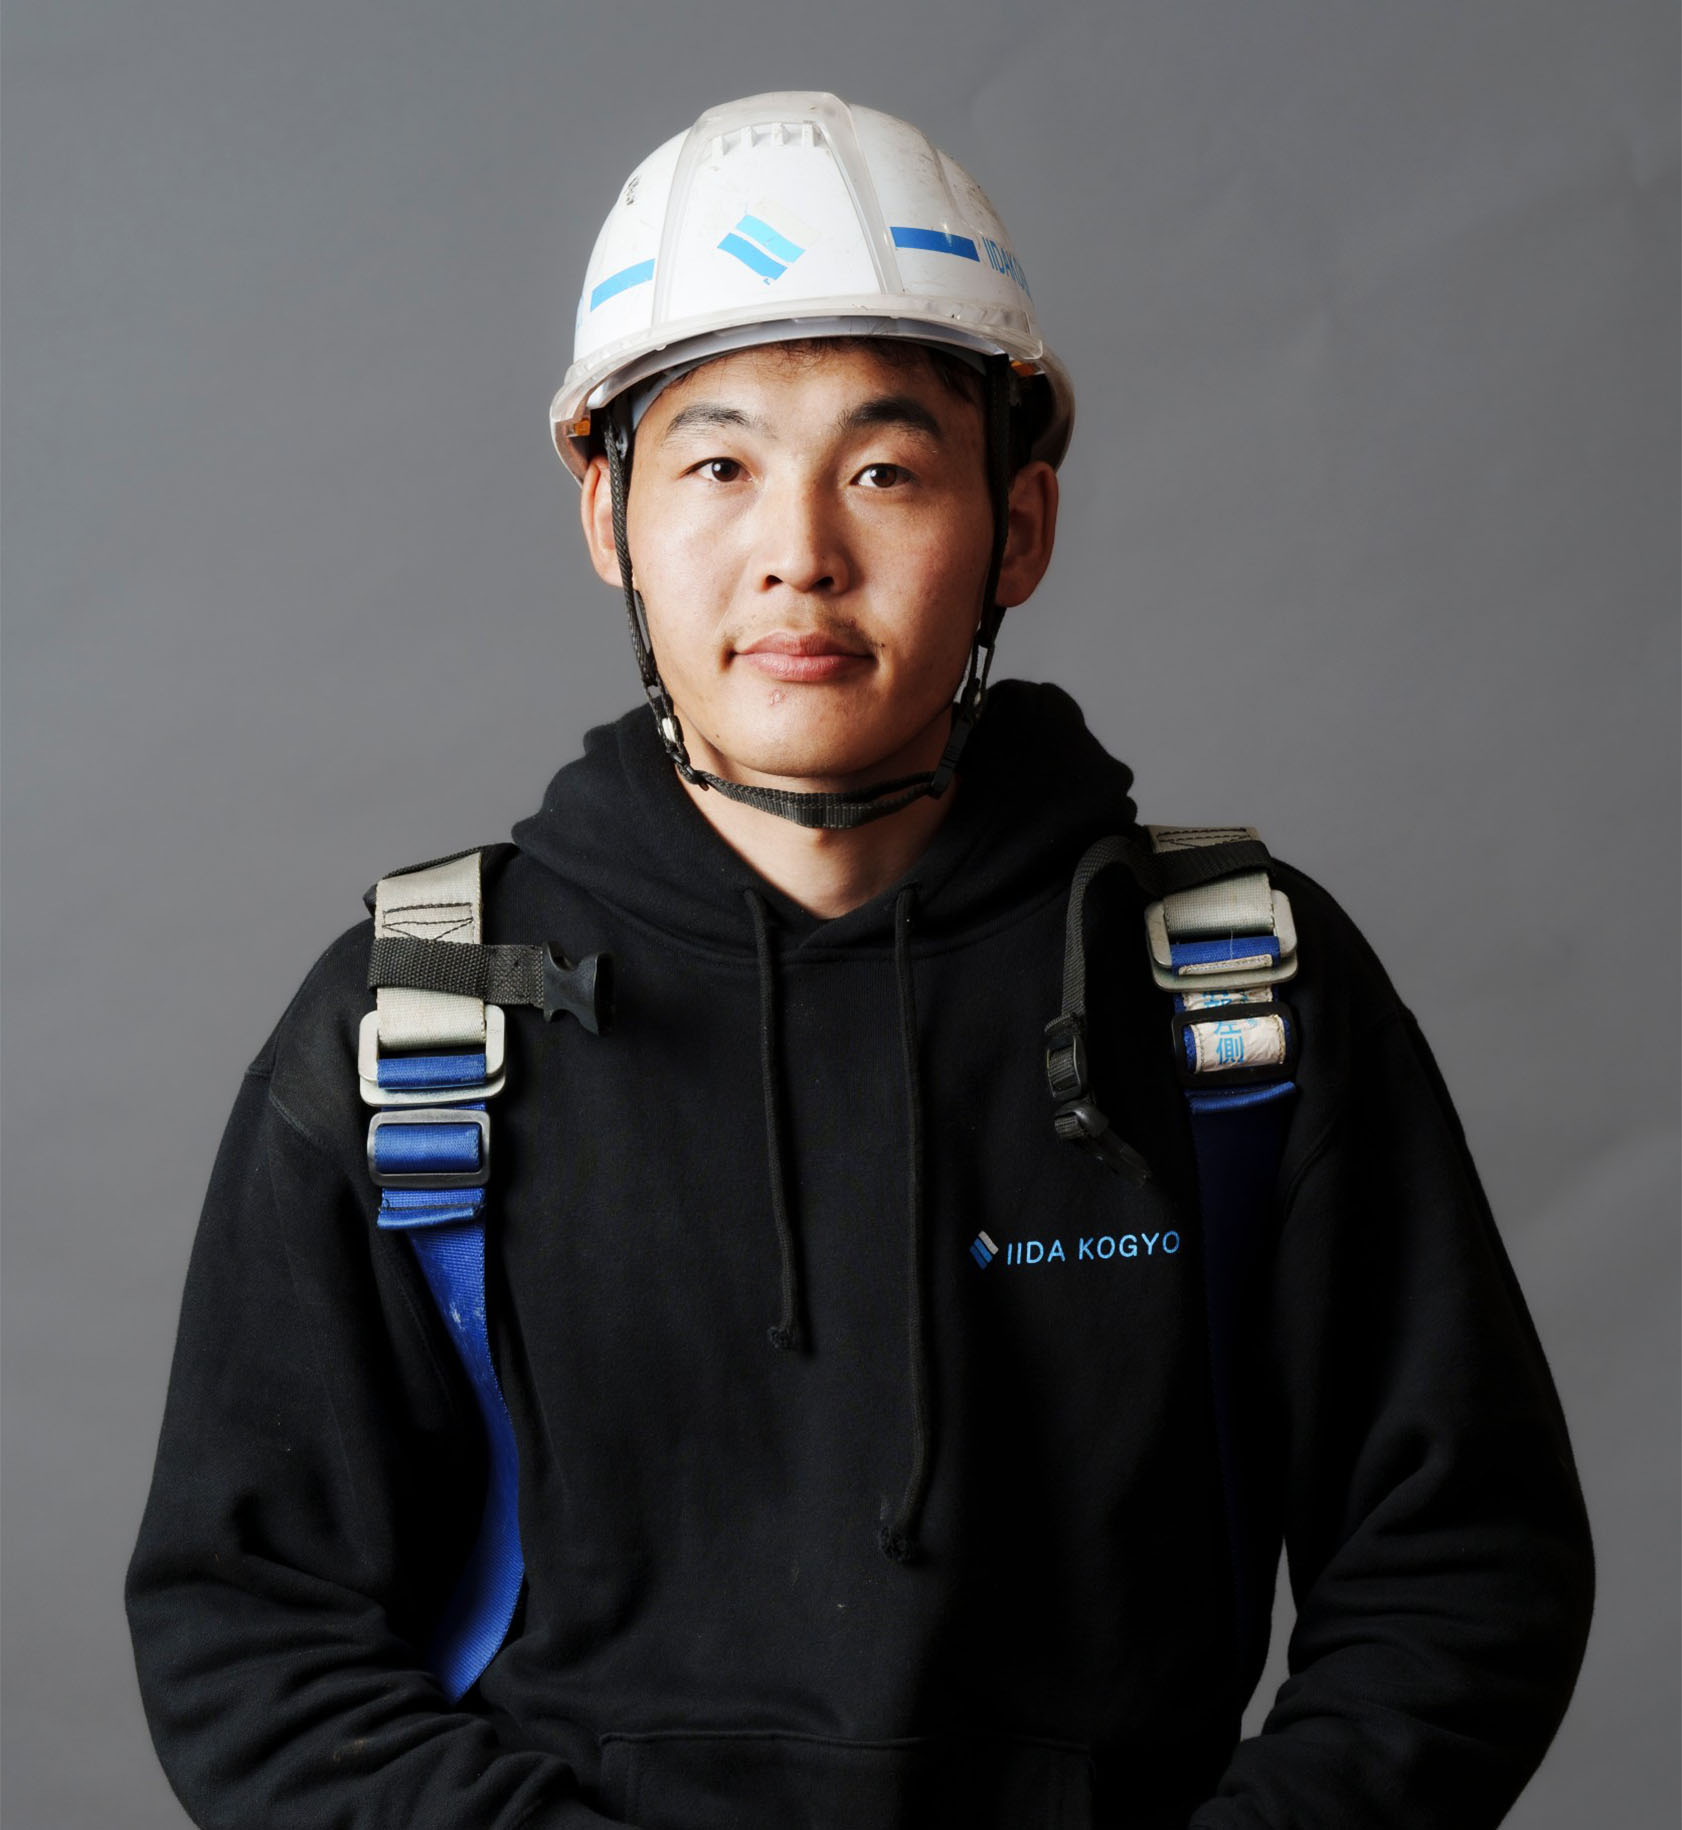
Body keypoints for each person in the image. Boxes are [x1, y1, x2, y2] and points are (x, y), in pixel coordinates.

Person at [127, 91, 1593, 1830]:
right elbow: (249, 1625)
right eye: (719, 465)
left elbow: (1462, 1565)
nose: (799, 554)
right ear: (607, 514)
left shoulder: (1234, 996)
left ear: (1017, 526)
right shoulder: (417, 1032)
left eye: (884, 470)